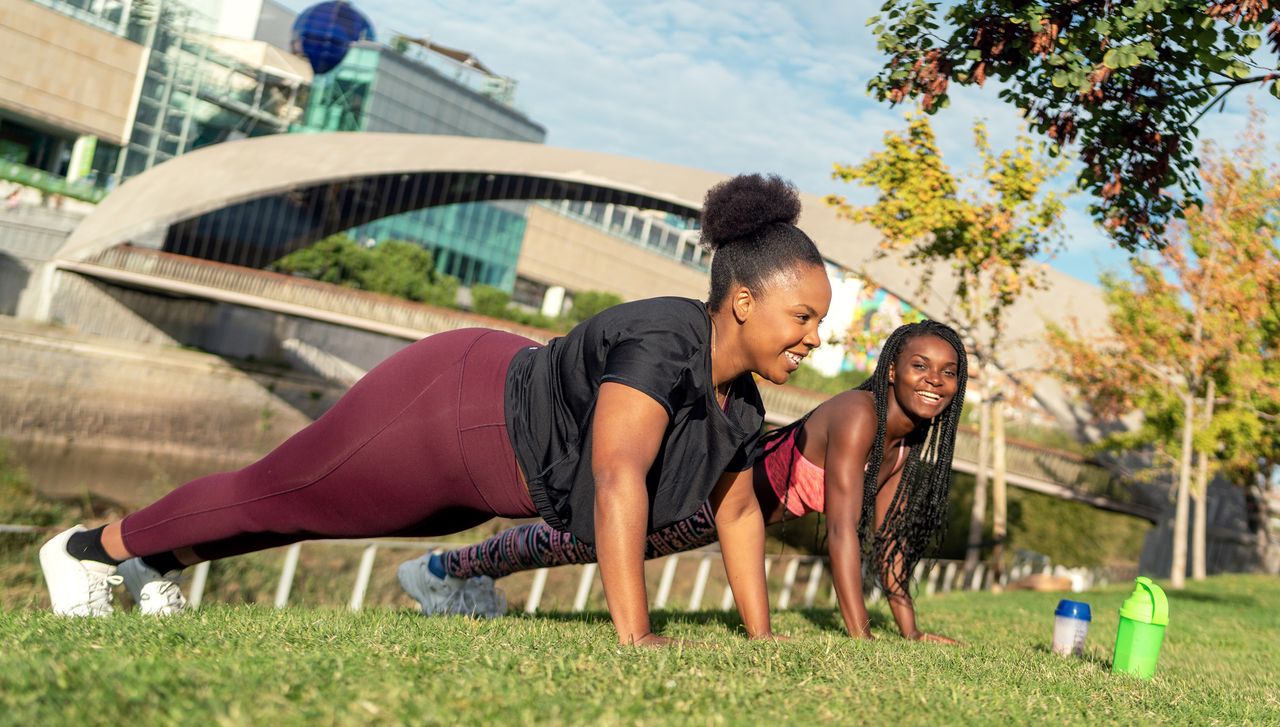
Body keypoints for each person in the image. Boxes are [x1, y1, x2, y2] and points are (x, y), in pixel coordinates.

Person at [38, 173, 833, 646]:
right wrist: (637, 636)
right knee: (279, 488)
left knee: (304, 512)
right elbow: (619, 473)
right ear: (739, 300)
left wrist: (761, 640)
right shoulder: (666, 335)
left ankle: (152, 564)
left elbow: (736, 512)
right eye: (801, 316)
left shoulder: (741, 405)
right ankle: (87, 550)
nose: (813, 338)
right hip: (453, 410)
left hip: (480, 469)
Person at [400, 321, 967, 643]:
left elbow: (886, 543)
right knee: (574, 538)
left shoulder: (904, 447)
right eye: (921, 366)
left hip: (717, 518)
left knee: (575, 544)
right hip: (705, 495)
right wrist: (861, 637)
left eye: (948, 373)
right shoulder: (858, 417)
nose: (934, 382)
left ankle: (452, 573)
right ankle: (440, 570)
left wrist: (911, 631)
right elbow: (843, 532)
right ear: (892, 367)